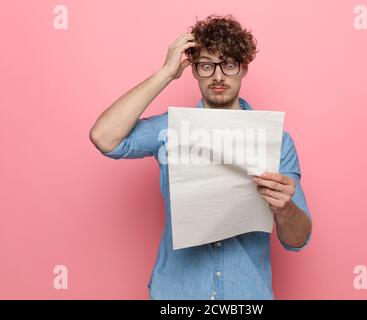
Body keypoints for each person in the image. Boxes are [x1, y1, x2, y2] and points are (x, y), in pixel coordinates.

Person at [89, 14, 312, 300]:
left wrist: (285, 208)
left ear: (243, 68)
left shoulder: (277, 141)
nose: (218, 77)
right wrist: (165, 73)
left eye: (229, 64)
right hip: (176, 296)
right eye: (207, 66)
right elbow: (104, 137)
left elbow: (297, 239)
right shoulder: (171, 129)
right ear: (193, 70)